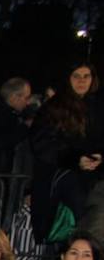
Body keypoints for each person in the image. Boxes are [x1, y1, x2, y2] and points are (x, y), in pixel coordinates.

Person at [27, 63, 102, 243]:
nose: (82, 81)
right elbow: (43, 144)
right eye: (76, 76)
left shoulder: (98, 107)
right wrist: (75, 159)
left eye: (86, 76)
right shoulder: (53, 108)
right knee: (70, 224)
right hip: (62, 177)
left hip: (96, 176)